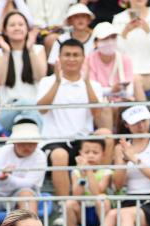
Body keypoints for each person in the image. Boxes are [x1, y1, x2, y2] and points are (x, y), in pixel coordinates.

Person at [36, 38, 107, 202]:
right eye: (67, 55)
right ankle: (66, 205)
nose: (71, 59)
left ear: (83, 58)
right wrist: (57, 82)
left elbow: (97, 114)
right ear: (59, 58)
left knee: (107, 135)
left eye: (76, 55)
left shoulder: (94, 85)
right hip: (54, 141)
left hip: (83, 141)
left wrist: (87, 82)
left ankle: (102, 192)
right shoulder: (47, 82)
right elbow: (42, 109)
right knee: (60, 155)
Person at [0, 11, 46, 127]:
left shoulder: (38, 49)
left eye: (21, 24)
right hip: (8, 109)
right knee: (25, 108)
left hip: (34, 109)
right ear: (5, 31)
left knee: (27, 113)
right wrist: (6, 52)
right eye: (12, 25)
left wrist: (30, 50)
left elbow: (40, 76)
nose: (17, 28)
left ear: (27, 29)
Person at [111, 0, 150, 90]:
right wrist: (125, 33)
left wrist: (148, 31)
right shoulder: (119, 19)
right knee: (130, 82)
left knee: (135, 81)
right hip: (125, 72)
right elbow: (114, 52)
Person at [0, 120, 48, 214]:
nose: (27, 146)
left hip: (26, 192)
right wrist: (2, 177)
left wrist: (7, 178)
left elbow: (29, 184)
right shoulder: (3, 151)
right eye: (22, 142)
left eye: (32, 143)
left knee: (26, 195)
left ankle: (30, 223)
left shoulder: (40, 156)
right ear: (14, 142)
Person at [85, 22, 145, 110]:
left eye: (113, 37)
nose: (110, 41)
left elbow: (129, 90)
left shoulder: (125, 59)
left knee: (136, 79)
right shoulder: (88, 60)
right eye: (105, 38)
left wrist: (116, 92)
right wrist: (111, 90)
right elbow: (92, 90)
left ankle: (144, 114)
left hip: (122, 103)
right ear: (95, 42)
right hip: (100, 104)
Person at [65, 137, 112, 226]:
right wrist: (83, 175)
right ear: (80, 154)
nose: (91, 155)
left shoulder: (106, 172)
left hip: (99, 212)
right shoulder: (76, 172)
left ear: (103, 154)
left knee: (101, 199)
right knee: (70, 202)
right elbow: (76, 195)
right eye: (87, 152)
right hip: (83, 212)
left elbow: (97, 192)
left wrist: (89, 170)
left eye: (95, 152)